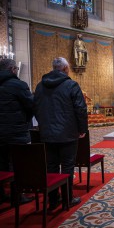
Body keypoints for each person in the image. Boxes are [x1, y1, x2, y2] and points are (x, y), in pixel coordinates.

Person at [34, 57, 88, 210]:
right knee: (67, 166)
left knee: (50, 166)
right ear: (65, 69)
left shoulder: (40, 86)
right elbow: (80, 109)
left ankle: (53, 200)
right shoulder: (71, 85)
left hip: (47, 134)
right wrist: (82, 129)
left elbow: (35, 108)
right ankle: (67, 199)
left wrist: (44, 125)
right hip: (67, 134)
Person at [0, 59, 34, 204]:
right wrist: (26, 120)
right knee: (17, 164)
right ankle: (17, 196)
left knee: (1, 164)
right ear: (13, 69)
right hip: (16, 132)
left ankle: (1, 196)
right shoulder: (18, 85)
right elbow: (31, 105)